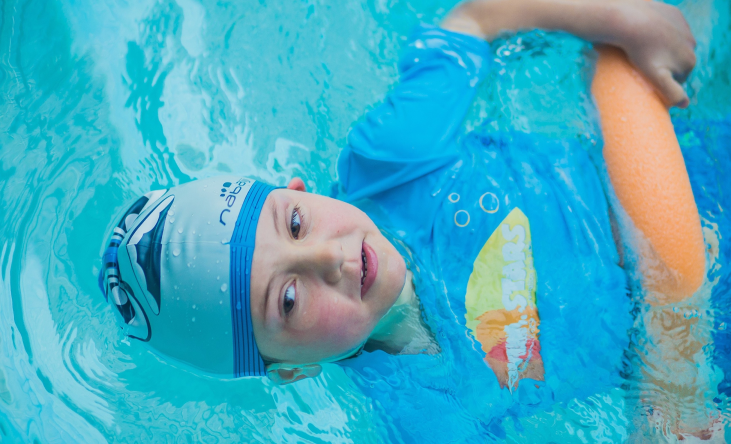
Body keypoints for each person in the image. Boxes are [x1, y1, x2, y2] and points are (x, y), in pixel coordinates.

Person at [100, 0, 698, 417]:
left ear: (301, 190)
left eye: (296, 223)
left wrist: (620, 17)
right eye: (286, 298)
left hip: (676, 178)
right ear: (290, 370)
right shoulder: (417, 418)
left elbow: (475, 20)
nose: (329, 258)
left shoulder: (391, 161)